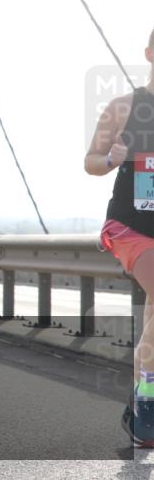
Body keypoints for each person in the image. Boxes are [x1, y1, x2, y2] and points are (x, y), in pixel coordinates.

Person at [86, 31, 154, 446]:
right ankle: (141, 404)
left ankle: (145, 409)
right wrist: (110, 159)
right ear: (149, 53)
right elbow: (90, 161)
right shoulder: (123, 107)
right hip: (129, 226)